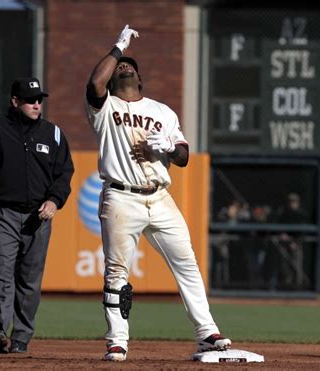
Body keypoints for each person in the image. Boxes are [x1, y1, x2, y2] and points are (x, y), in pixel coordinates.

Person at [84, 25, 231, 361]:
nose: (124, 67)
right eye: (120, 65)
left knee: (188, 264)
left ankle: (207, 333)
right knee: (117, 271)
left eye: (129, 65)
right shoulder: (104, 108)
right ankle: (117, 341)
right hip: (121, 197)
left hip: (160, 197)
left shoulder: (162, 111)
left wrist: (168, 147)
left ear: (140, 79)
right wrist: (118, 47)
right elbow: (95, 83)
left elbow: (183, 157)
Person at [0, 77, 74, 354]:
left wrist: (54, 200)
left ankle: (21, 338)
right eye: (30, 100)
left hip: (38, 218)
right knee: (2, 272)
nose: (37, 104)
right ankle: (0, 328)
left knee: (30, 281)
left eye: (39, 100)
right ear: (15, 102)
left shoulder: (54, 134)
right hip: (2, 214)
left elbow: (64, 174)